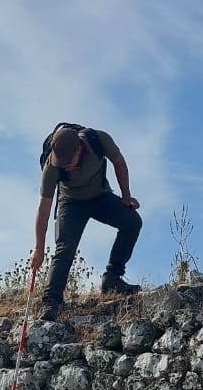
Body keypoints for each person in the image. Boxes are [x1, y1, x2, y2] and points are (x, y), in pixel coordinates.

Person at [30, 123, 142, 322]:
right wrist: (38, 248)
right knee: (65, 248)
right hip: (71, 204)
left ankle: (112, 279)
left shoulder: (97, 140)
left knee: (132, 222)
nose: (64, 165)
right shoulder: (52, 166)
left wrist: (126, 196)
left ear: (79, 148)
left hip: (101, 197)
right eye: (61, 162)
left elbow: (119, 163)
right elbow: (43, 208)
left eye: (69, 160)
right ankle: (51, 301)